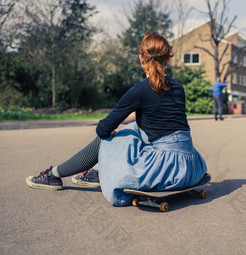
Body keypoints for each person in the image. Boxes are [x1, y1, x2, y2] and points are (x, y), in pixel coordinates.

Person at [26, 32, 207, 206]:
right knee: (134, 126)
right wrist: (127, 121)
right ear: (168, 59)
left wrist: (114, 129)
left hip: (163, 170)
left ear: (141, 58)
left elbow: (102, 129)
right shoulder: (179, 88)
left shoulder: (139, 90)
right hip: (190, 167)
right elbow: (158, 115)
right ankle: (94, 172)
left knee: (112, 135)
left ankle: (54, 174)